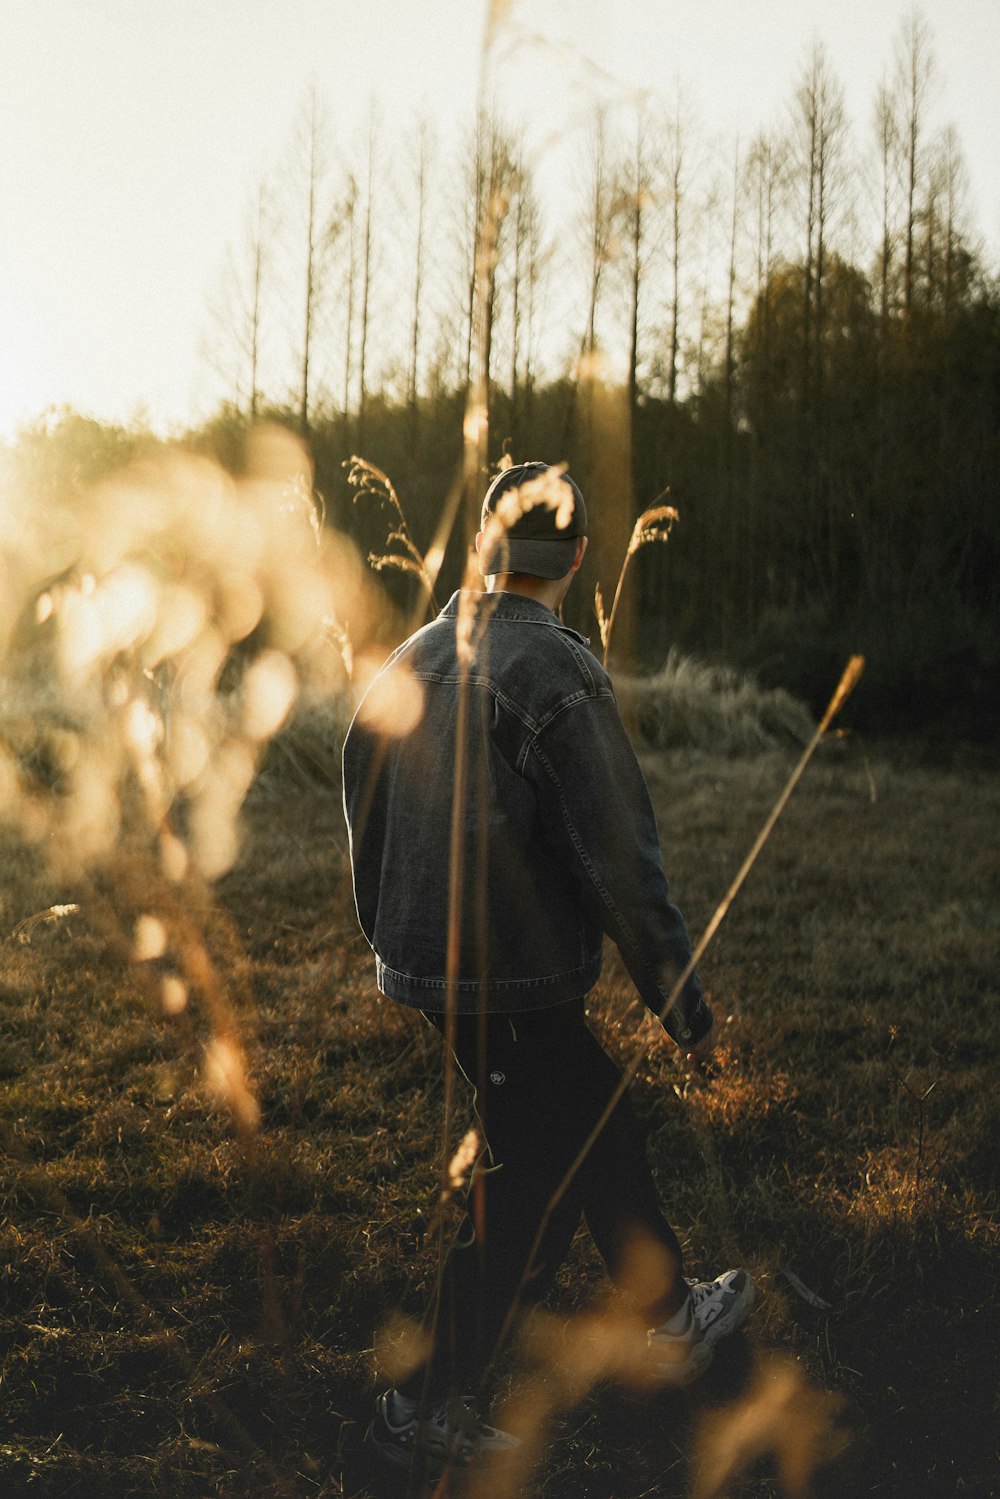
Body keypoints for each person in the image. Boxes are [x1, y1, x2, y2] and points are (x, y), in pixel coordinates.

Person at [342, 461, 755, 1476]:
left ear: (486, 551)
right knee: (533, 1180)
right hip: (513, 979)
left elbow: (363, 814)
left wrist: (392, 942)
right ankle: (418, 1403)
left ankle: (667, 1315)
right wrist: (682, 1004)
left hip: (432, 972)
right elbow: (623, 861)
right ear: (576, 557)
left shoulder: (410, 654)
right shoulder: (558, 676)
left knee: (585, 1126)